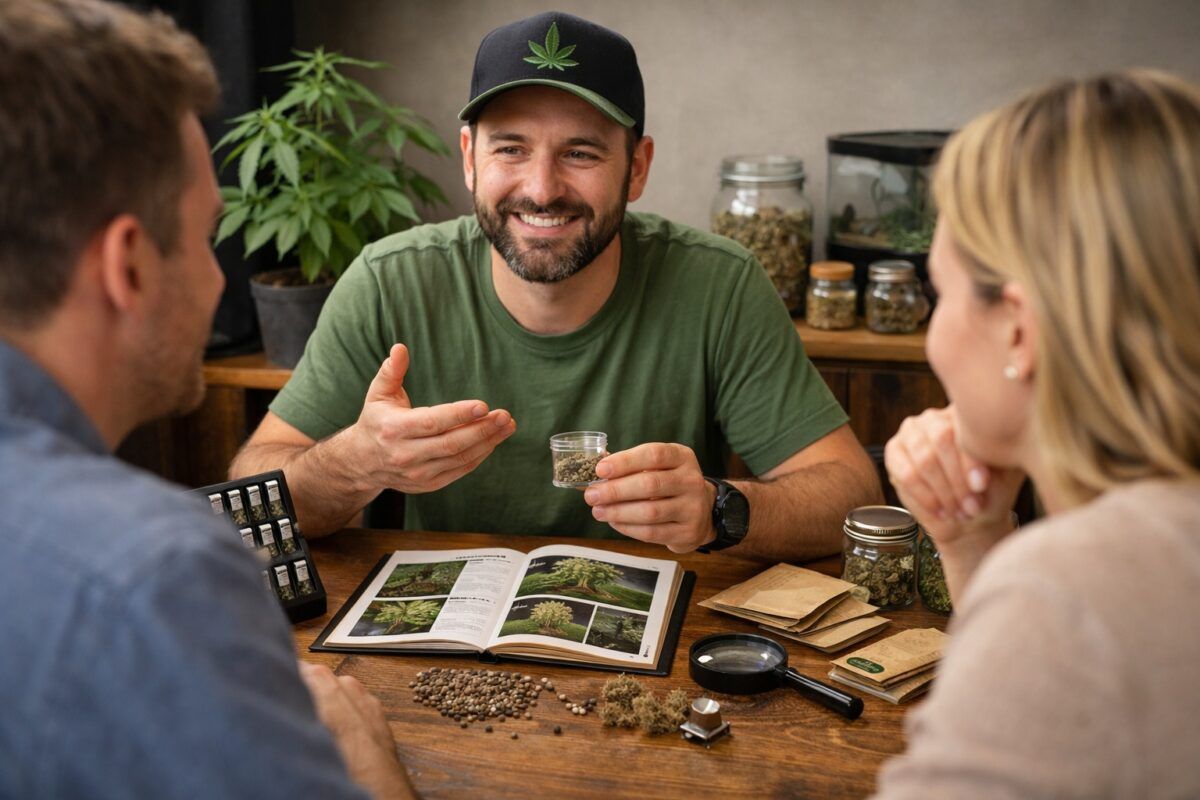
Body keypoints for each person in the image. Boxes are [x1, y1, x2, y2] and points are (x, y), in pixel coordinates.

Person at [230, 11, 881, 560]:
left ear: (637, 168)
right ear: (468, 157)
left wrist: (722, 510)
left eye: (581, 153)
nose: (541, 189)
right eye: (510, 148)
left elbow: (851, 493)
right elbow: (252, 490)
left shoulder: (719, 284)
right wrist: (357, 463)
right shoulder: (387, 281)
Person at [0, 1, 413, 797]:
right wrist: (366, 755)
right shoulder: (158, 575)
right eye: (202, 237)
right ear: (128, 266)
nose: (221, 276)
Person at [874, 69, 1200, 796]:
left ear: (1018, 328)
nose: (934, 333)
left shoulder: (1065, 598)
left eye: (941, 292)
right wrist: (970, 541)